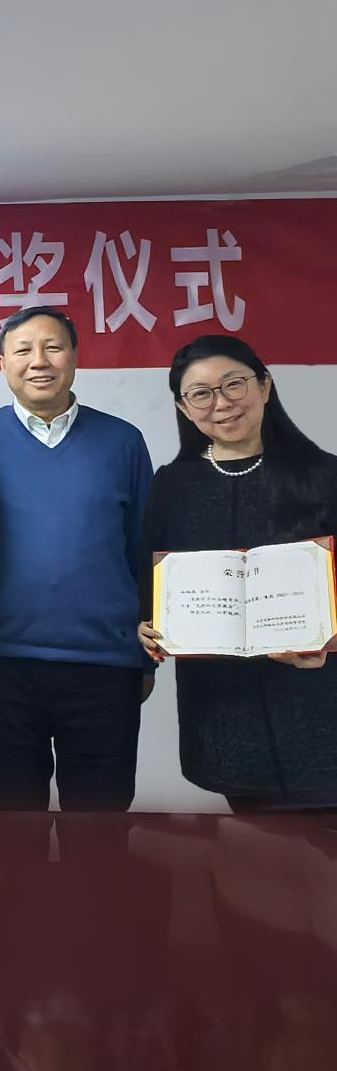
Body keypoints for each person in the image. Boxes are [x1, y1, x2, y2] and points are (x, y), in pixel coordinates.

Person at [0, 309, 154, 811]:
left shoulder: (123, 441)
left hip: (103, 665)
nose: (39, 361)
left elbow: (144, 551)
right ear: (1, 363)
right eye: (23, 350)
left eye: (53, 347)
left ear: (75, 356)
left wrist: (144, 656)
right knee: (13, 817)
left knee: (100, 820)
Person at [138, 334, 337, 814]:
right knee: (252, 848)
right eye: (201, 394)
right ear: (184, 408)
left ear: (264, 386)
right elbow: (152, 580)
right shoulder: (172, 485)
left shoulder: (325, 475)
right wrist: (147, 626)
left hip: (319, 702)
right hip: (224, 709)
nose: (222, 403)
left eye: (234, 384)